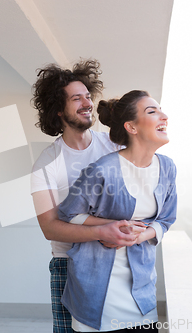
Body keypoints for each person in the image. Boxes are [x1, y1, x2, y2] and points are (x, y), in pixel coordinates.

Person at [30, 60, 144, 333]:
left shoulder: (114, 145)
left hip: (116, 262)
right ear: (58, 109)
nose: (87, 103)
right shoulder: (46, 164)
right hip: (68, 267)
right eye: (76, 98)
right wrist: (102, 231)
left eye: (87, 96)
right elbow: (49, 228)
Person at [58, 90, 177, 332]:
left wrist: (141, 234)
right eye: (152, 111)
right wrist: (105, 229)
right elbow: (67, 215)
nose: (164, 116)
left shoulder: (167, 168)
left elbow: (166, 219)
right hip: (99, 294)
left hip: (142, 292)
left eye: (161, 109)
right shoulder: (102, 170)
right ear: (131, 127)